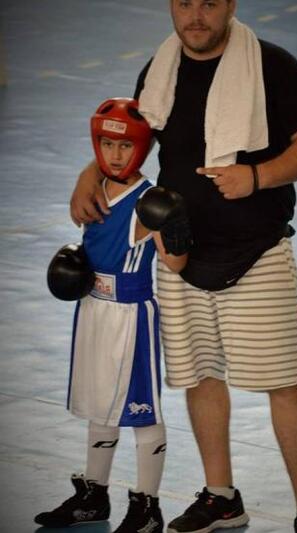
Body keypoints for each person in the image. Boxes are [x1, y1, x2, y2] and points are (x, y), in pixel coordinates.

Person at [69, 2, 297, 532]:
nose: (195, 15)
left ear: (230, 4)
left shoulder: (274, 66)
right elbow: (135, 140)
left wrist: (256, 177)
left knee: (284, 383)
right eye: (185, 2)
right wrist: (89, 175)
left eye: (209, 2)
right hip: (179, 253)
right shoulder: (161, 68)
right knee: (200, 377)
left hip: (256, 252)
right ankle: (221, 497)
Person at [36, 97, 189, 533]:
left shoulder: (148, 200)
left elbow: (175, 264)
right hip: (91, 308)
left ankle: (147, 507)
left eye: (125, 146)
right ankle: (94, 495)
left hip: (130, 316)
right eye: (107, 145)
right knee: (99, 406)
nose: (116, 155)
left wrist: (175, 226)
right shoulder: (93, 190)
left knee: (142, 412)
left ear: (141, 149)